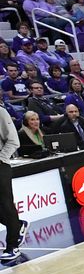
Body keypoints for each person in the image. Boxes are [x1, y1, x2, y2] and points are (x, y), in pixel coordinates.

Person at [0, 107, 25, 264]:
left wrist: (1, 158)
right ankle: (18, 225)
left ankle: (12, 247)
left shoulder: (1, 112)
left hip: (0, 166)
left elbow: (14, 140)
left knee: (6, 205)